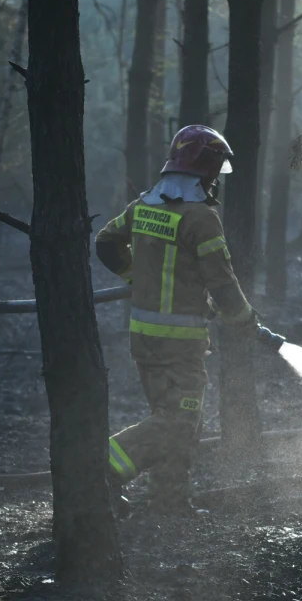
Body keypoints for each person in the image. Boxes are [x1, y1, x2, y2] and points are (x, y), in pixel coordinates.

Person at [96, 124, 256, 515]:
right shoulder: (200, 219)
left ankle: (169, 502)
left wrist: (137, 278)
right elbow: (221, 279)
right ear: (205, 171)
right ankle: (99, 468)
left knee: (175, 419)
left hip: (144, 340)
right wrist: (243, 319)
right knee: (177, 423)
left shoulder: (144, 207)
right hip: (179, 344)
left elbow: (105, 242)